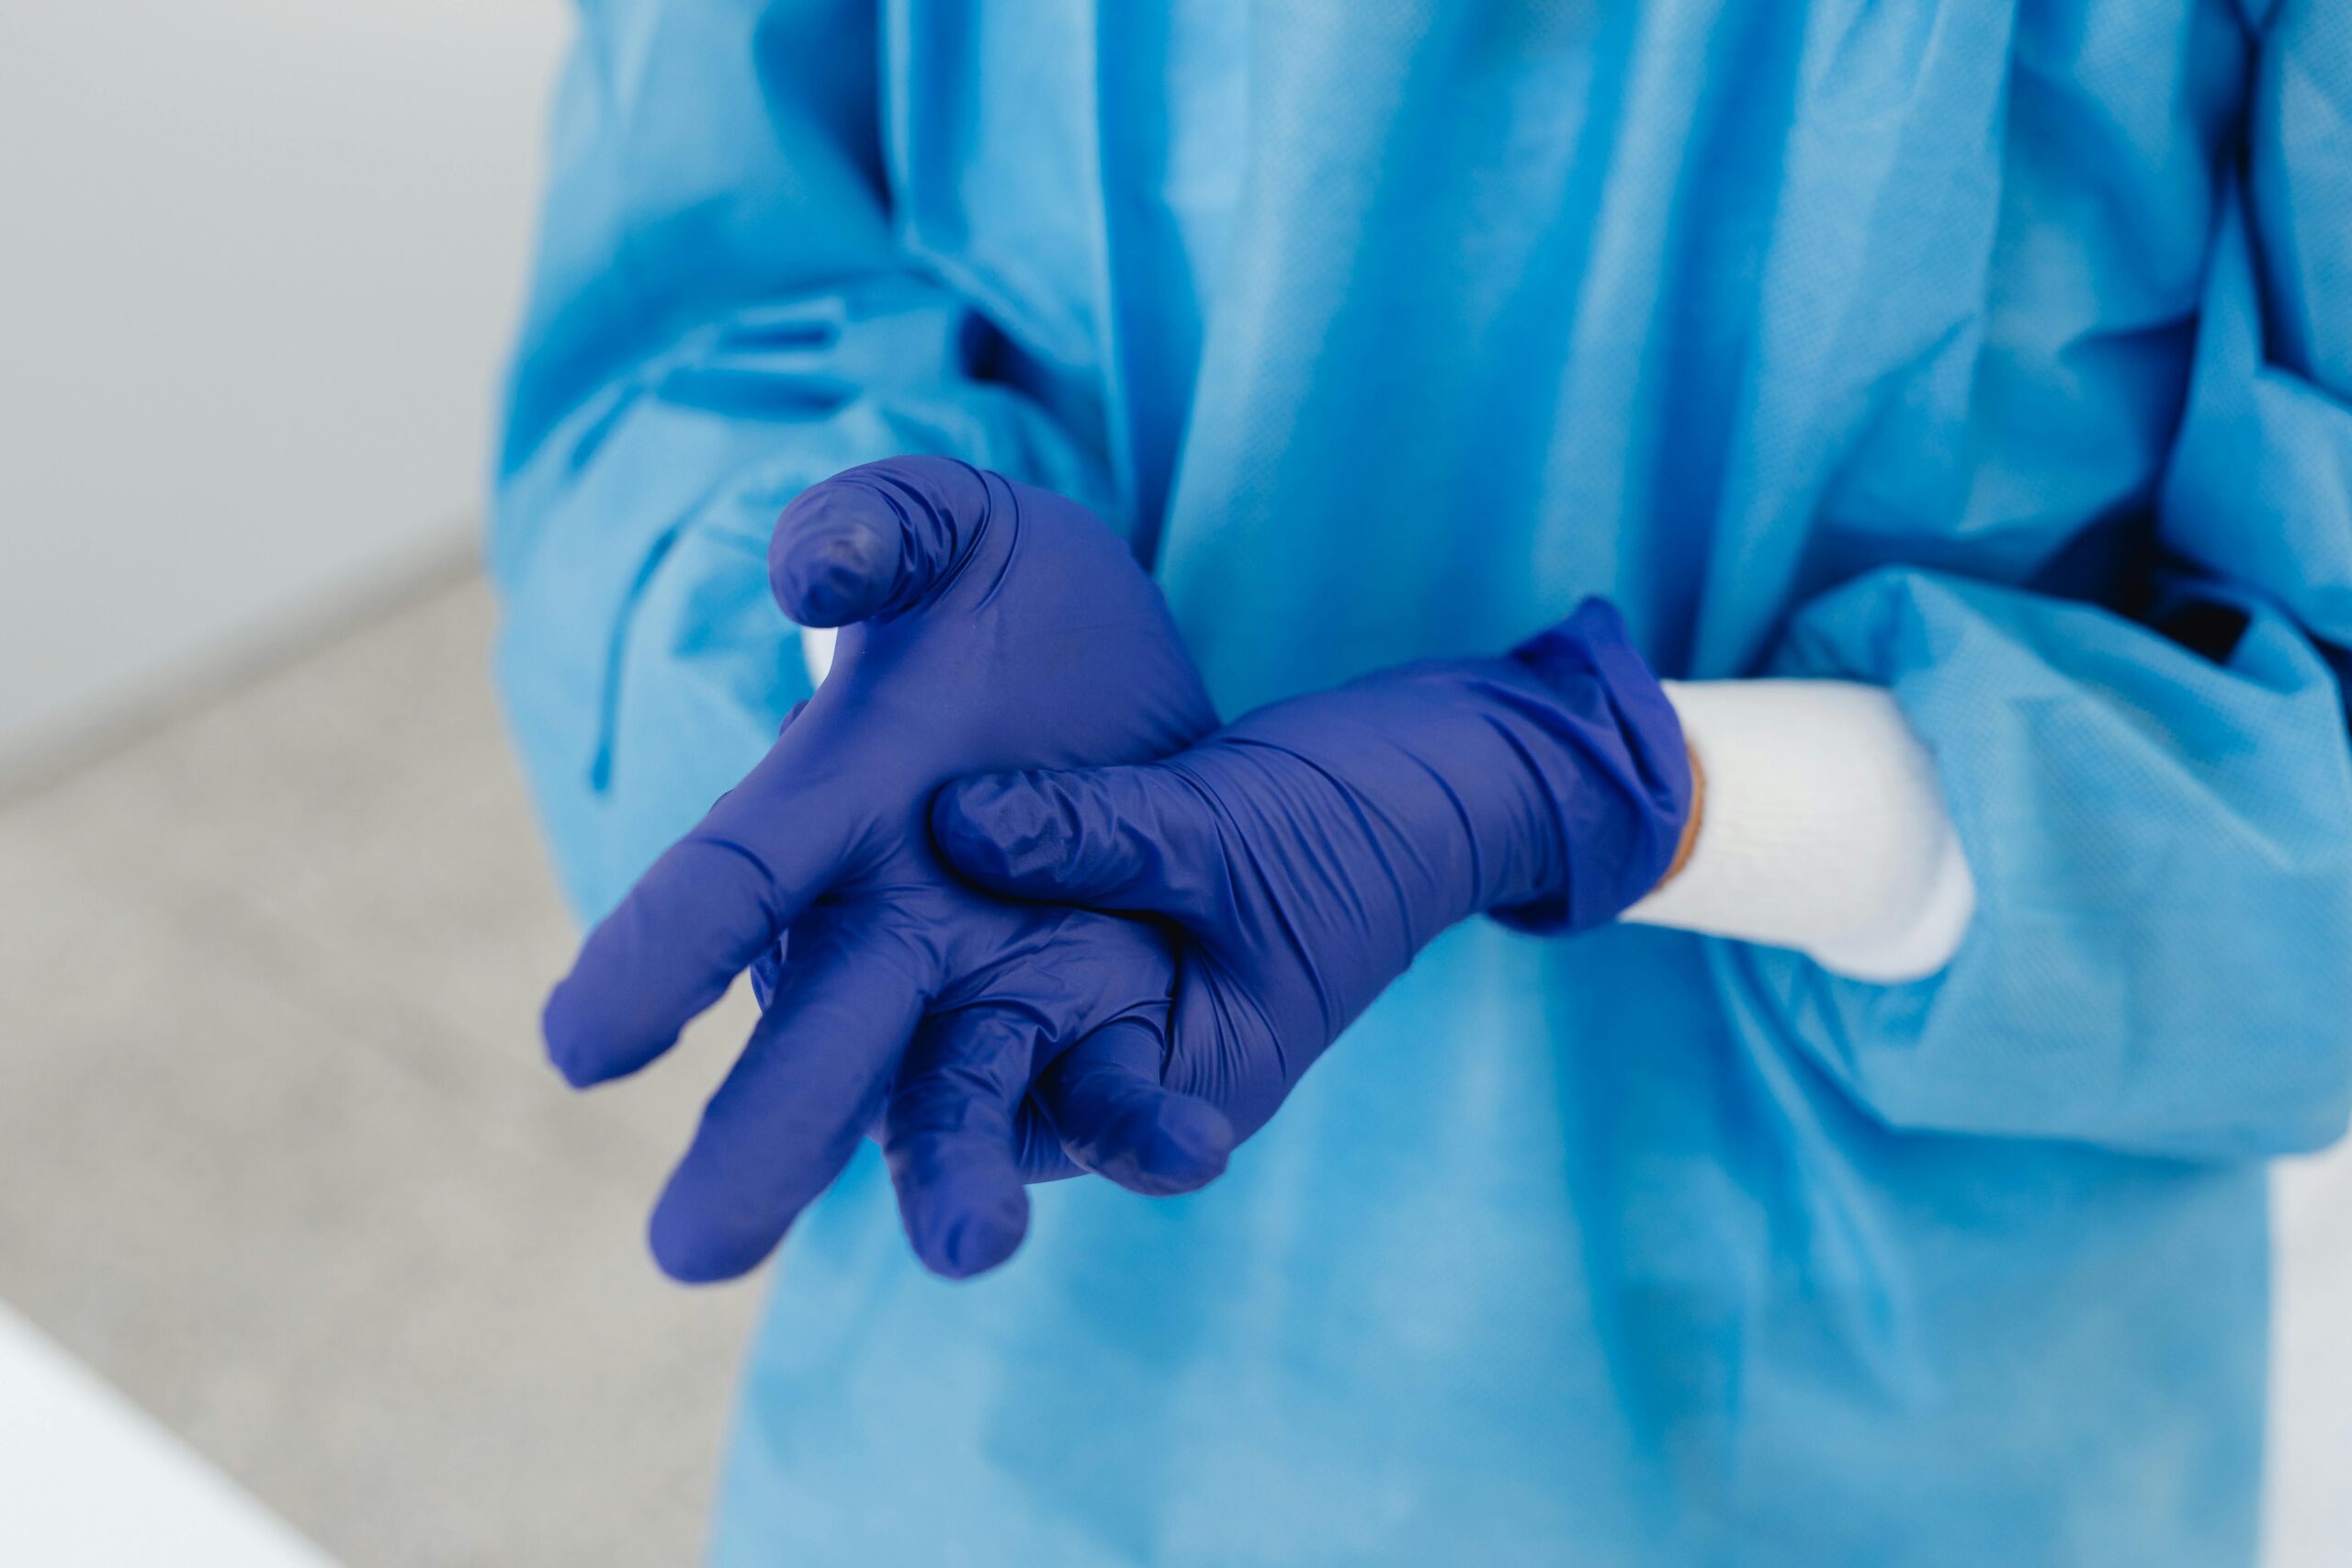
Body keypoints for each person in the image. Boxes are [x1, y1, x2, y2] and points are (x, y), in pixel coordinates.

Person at [490, 2, 2352, 1562]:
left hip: (1868, 1441)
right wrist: (869, 644)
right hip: (1020, 1386)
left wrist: (1648, 789)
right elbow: (695, 277)